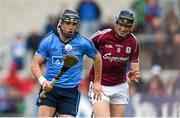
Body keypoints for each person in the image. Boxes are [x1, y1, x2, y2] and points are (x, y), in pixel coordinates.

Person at [31, 8, 102, 117]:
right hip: (50, 89)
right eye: (68, 23)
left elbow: (97, 57)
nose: (70, 27)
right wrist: (43, 81)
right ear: (61, 22)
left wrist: (97, 82)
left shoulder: (83, 43)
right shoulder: (49, 40)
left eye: (74, 24)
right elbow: (34, 64)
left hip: (70, 92)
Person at [88, 9, 140, 117]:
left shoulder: (133, 42)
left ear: (131, 27)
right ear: (115, 22)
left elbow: (134, 70)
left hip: (120, 86)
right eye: (121, 24)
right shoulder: (102, 36)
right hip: (100, 85)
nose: (123, 29)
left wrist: (132, 75)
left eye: (127, 26)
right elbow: (83, 46)